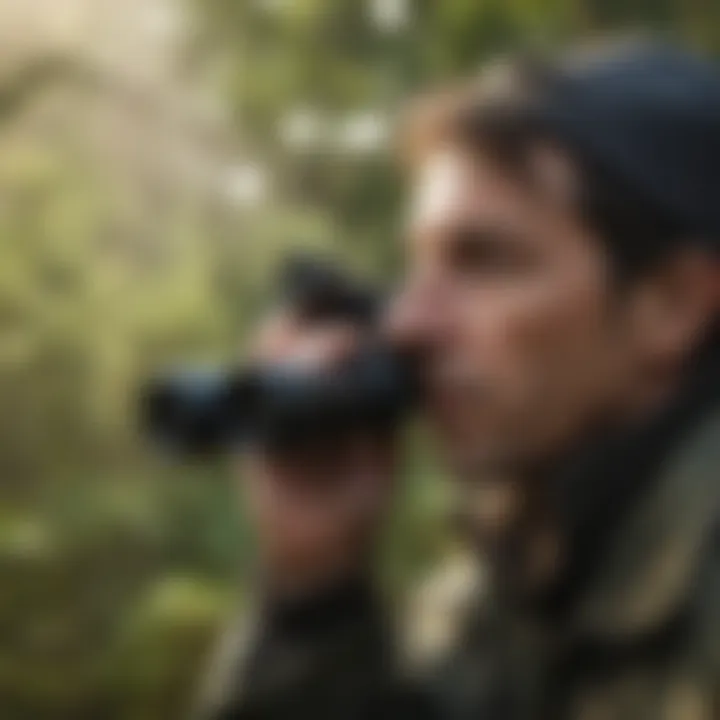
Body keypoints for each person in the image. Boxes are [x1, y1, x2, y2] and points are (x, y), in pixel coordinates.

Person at [195, 40, 720, 720]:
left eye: (484, 261)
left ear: (670, 307)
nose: (407, 324)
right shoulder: (517, 572)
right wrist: (315, 598)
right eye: (417, 266)